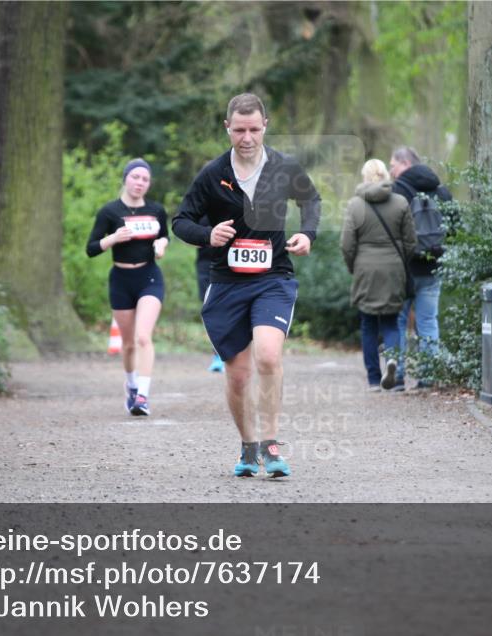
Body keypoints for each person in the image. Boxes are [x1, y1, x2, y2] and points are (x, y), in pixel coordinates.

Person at [173, 92, 321, 478]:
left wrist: (308, 234)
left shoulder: (285, 167)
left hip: (274, 277)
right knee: (238, 374)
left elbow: (311, 200)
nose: (247, 137)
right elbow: (181, 220)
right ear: (228, 128)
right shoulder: (212, 173)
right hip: (226, 283)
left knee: (269, 356)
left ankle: (271, 446)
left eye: (254, 129)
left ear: (265, 126)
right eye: (239, 130)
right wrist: (208, 235)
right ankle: (248, 445)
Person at [86, 158, 169, 416]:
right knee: (129, 343)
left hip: (149, 277)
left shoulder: (156, 210)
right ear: (126, 179)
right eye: (136, 177)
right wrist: (112, 238)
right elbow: (91, 249)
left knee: (143, 337)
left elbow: (164, 234)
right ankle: (132, 385)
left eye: (145, 179)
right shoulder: (109, 212)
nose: (140, 183)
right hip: (121, 280)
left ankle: (142, 397)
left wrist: (161, 245)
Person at [341, 159, 416, 391]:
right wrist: (402, 263)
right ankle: (393, 363)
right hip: (393, 268)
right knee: (392, 321)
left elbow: (346, 244)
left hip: (365, 268)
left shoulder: (355, 205)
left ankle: (374, 379)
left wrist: (354, 266)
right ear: (385, 175)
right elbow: (411, 241)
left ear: (365, 176)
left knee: (368, 324)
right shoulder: (401, 202)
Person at [390, 146, 454, 390]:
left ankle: (397, 377)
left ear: (405, 163)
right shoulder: (442, 191)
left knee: (398, 321)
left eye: (393, 165)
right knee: (428, 321)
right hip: (433, 266)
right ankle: (428, 377)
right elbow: (455, 227)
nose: (391, 170)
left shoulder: (396, 192)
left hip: (402, 269)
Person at [195, 238, 225, 373]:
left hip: (232, 265)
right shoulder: (200, 215)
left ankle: (235, 351)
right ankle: (218, 355)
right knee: (212, 311)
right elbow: (187, 232)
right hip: (206, 266)